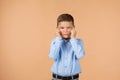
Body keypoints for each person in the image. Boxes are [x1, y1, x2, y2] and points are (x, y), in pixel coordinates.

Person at [48, 13, 85, 80]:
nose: (65, 30)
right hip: (56, 78)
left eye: (69, 28)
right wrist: (59, 38)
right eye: (62, 28)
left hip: (73, 78)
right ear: (57, 29)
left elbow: (80, 55)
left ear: (73, 28)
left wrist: (73, 39)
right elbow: (53, 56)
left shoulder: (78, 42)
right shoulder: (55, 42)